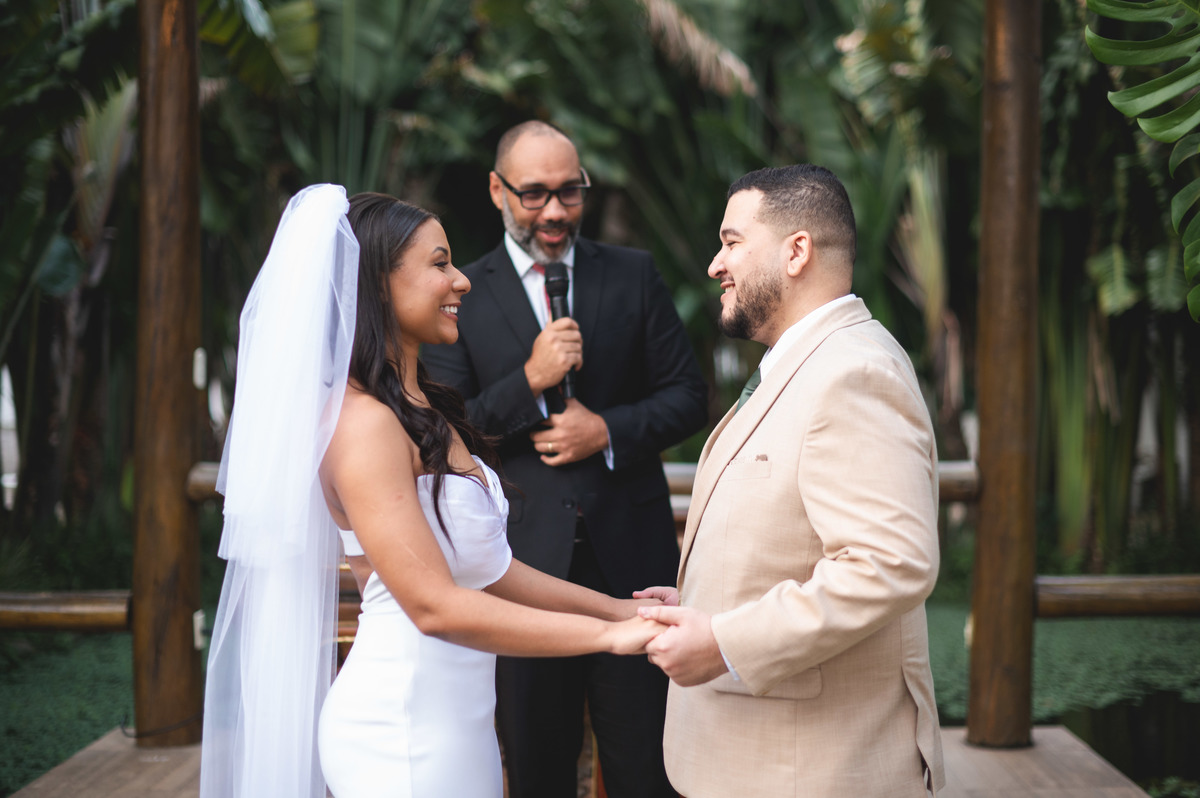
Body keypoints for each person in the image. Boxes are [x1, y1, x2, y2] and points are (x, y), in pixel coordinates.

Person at [199, 184, 666, 798]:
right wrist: (609, 640)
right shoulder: (363, 424)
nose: (462, 280)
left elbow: (492, 571)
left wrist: (622, 609)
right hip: (402, 731)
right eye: (440, 263)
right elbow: (433, 605)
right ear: (377, 283)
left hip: (456, 724)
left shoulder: (423, 409)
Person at [635, 165, 946, 798]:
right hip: (758, 757)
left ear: (796, 250)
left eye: (731, 241)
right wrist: (705, 605)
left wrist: (725, 640)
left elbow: (889, 563)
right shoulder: (802, 362)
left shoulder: (853, 373)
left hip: (810, 770)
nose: (714, 264)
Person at [423, 121, 707, 798]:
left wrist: (605, 430)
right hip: (519, 567)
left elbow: (690, 397)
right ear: (497, 190)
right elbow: (443, 427)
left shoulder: (633, 274)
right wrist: (530, 380)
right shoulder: (461, 289)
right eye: (534, 194)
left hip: (631, 564)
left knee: (648, 765)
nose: (554, 212)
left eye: (569, 192)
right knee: (536, 763)